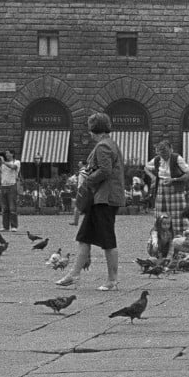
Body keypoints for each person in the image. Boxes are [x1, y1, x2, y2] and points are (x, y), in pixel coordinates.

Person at [56, 113, 125, 290]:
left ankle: (112, 280)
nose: (90, 134)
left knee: (108, 240)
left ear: (94, 130)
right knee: (84, 237)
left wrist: (87, 180)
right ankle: (74, 274)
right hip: (102, 198)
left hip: (104, 198)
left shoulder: (103, 146)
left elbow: (105, 170)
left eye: (91, 129)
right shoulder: (111, 144)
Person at [145, 139, 189, 235]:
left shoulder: (177, 158)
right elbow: (146, 167)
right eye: (162, 154)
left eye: (166, 153)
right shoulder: (157, 159)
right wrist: (153, 177)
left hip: (175, 190)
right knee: (161, 215)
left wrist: (174, 179)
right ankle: (161, 236)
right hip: (161, 190)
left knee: (178, 215)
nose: (164, 156)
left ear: (171, 149)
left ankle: (179, 237)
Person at [0, 150, 21, 232]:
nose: (6, 154)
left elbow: (13, 167)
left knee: (12, 208)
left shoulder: (16, 162)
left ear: (12, 154)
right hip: (3, 186)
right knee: (4, 208)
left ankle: (14, 226)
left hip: (12, 186)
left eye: (8, 153)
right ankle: (5, 226)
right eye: (5, 153)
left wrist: (3, 162)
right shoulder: (3, 164)